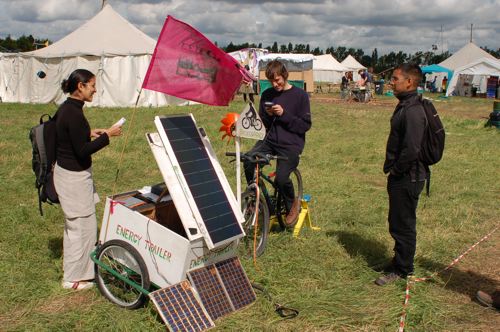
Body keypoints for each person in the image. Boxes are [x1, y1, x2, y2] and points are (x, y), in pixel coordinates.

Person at [54, 69, 122, 290]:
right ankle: (74, 279)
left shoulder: (68, 108)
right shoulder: (72, 113)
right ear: (80, 86)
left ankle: (79, 271)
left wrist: (90, 132)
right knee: (81, 228)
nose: (95, 89)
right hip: (73, 179)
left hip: (72, 176)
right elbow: (82, 151)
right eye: (92, 85)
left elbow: (69, 137)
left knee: (80, 226)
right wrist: (107, 136)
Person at [375, 63, 427, 286]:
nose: (391, 82)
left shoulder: (414, 110)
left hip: (408, 177)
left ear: (410, 82)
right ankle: (398, 260)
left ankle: (403, 269)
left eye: (396, 79)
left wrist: (396, 170)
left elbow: (412, 149)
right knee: (396, 220)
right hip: (403, 175)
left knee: (403, 224)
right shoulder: (406, 104)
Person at [244, 60, 311, 226]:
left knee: (281, 179)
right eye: (271, 81)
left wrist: (284, 114)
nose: (275, 84)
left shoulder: (300, 96)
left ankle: (292, 204)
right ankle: (256, 200)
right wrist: (267, 114)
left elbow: (305, 125)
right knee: (248, 159)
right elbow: (263, 124)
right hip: (269, 140)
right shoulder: (267, 95)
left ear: (285, 75)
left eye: (277, 80)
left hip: (291, 144)